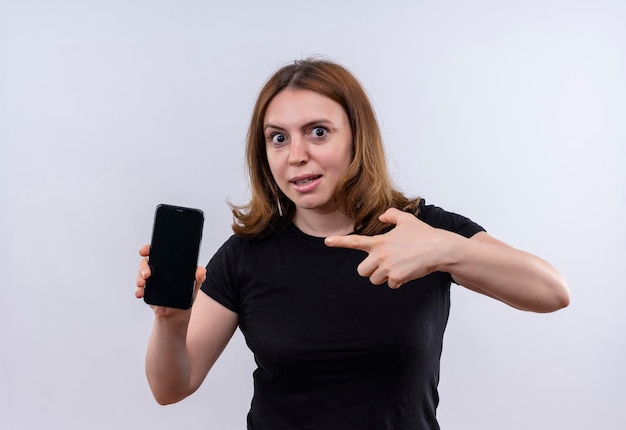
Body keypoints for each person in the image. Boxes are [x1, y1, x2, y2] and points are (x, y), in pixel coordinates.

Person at [135, 58, 570, 430]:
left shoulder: (422, 230)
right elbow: (171, 389)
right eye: (278, 137)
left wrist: (446, 250)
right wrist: (170, 322)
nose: (296, 154)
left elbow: (552, 292)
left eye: (318, 132)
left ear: (357, 137)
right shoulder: (245, 255)